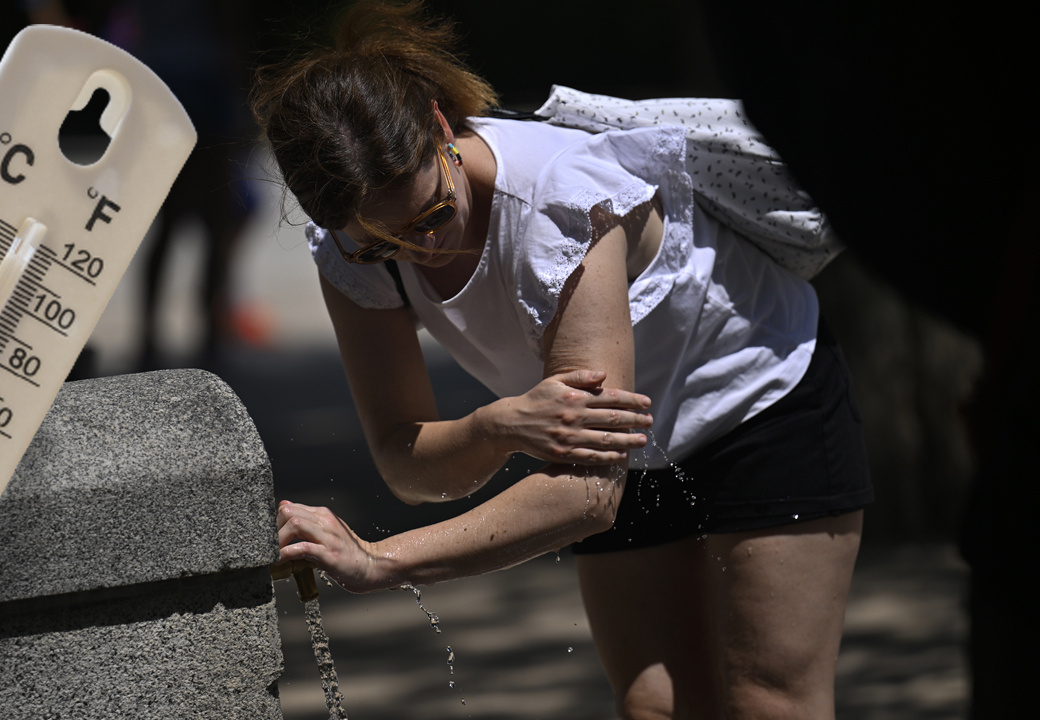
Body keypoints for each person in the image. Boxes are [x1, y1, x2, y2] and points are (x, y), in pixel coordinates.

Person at [254, 2, 872, 717]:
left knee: (768, 701)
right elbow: (404, 461)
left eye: (430, 215)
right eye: (383, 243)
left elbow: (586, 494)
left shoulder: (557, 203)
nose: (421, 251)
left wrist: (380, 561)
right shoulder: (354, 257)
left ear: (439, 127)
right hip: (628, 445)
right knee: (658, 706)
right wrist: (497, 427)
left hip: (755, 397)